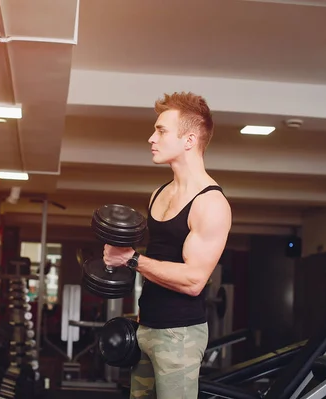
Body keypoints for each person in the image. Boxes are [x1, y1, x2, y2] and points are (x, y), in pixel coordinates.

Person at [103, 92, 232, 398]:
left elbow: (193, 281)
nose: (151, 138)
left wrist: (132, 259)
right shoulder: (158, 193)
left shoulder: (210, 203)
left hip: (179, 334)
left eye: (161, 130)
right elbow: (159, 261)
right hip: (145, 325)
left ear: (189, 140)